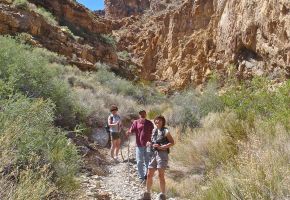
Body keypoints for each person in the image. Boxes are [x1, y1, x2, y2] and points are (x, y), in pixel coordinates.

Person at [140, 115, 175, 200]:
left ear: (163, 122)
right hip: (154, 154)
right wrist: (149, 143)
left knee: (161, 175)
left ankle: (163, 195)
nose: (157, 122)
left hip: (162, 154)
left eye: (159, 121)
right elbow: (153, 141)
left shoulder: (165, 130)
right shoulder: (154, 130)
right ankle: (147, 194)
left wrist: (161, 147)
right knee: (149, 174)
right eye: (156, 121)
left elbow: (172, 142)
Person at [126, 110, 154, 183]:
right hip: (139, 145)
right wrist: (128, 132)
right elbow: (131, 130)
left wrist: (151, 142)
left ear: (146, 114)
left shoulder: (150, 123)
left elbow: (153, 133)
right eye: (141, 114)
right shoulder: (136, 122)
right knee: (139, 161)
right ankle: (141, 177)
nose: (142, 115)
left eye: (144, 113)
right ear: (139, 114)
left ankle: (147, 176)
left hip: (148, 145)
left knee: (147, 161)